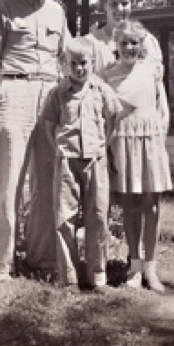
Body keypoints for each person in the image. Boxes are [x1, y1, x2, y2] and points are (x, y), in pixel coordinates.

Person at [0, 0, 70, 281]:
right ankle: (1, 265)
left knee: (47, 182)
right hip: (13, 91)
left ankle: (42, 260)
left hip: (49, 95)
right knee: (9, 182)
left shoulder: (57, 11)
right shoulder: (4, 5)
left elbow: (68, 60)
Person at [41, 37, 122, 290]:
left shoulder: (102, 91)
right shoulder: (58, 93)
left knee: (97, 216)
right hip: (67, 161)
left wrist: (102, 146)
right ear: (65, 64)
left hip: (95, 160)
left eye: (83, 63)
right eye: (73, 63)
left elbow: (113, 121)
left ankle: (97, 275)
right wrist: (60, 150)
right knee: (65, 218)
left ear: (92, 63)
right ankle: (70, 278)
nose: (79, 68)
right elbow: (49, 126)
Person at [102, 20, 172, 293]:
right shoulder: (108, 75)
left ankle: (151, 268)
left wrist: (161, 134)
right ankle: (134, 266)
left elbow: (162, 107)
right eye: (124, 43)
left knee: (151, 204)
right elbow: (107, 114)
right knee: (130, 204)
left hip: (150, 138)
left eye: (135, 43)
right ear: (116, 46)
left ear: (142, 45)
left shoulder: (152, 70)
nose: (130, 48)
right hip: (123, 140)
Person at [87, 0, 162, 74]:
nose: (119, 9)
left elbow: (156, 80)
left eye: (124, 3)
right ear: (105, 5)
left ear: (131, 5)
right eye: (114, 4)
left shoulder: (146, 41)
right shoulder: (92, 43)